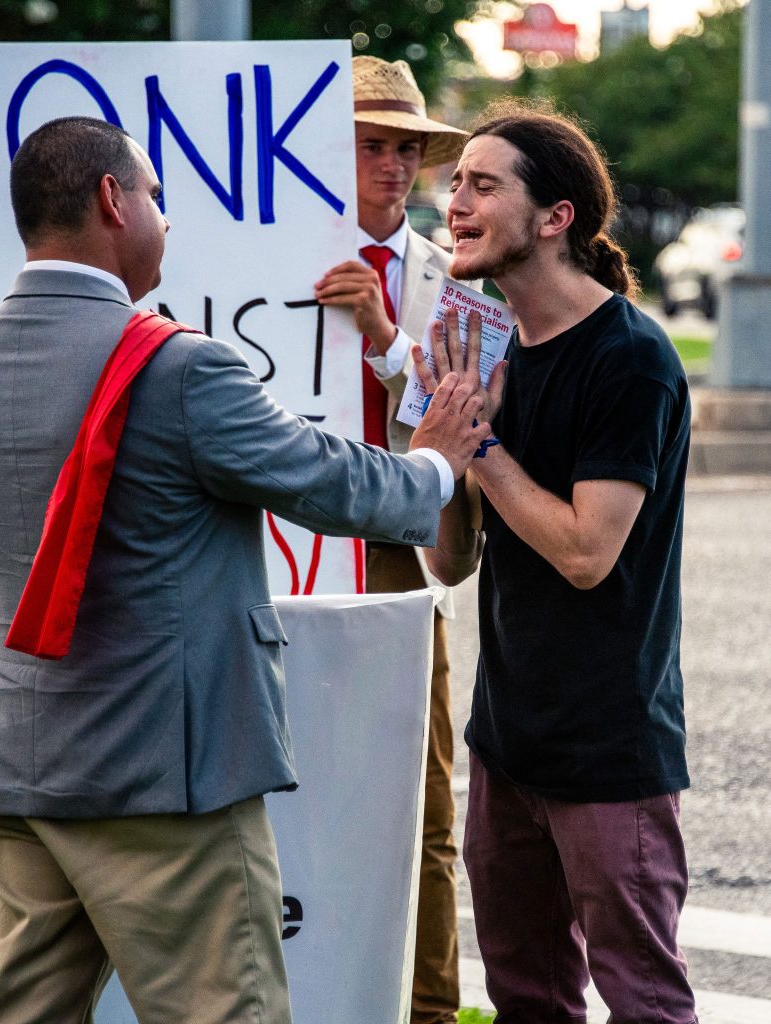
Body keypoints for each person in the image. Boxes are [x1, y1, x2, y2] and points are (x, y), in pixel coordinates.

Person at [0, 116, 493, 1024]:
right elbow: (331, 485)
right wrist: (432, 462)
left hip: (10, 764)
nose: (167, 219)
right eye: (154, 196)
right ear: (112, 201)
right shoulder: (177, 366)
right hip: (155, 775)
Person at [420, 99, 697, 1023]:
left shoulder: (631, 359)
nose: (453, 201)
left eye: (481, 184)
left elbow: (586, 553)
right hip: (507, 744)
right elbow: (451, 563)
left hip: (608, 751)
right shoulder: (488, 350)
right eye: (454, 183)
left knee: (643, 1001)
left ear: (555, 218)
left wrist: (484, 450)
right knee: (525, 998)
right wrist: (437, 459)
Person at [313, 55, 469, 1024]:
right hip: (286, 543)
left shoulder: (451, 276)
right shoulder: (265, 258)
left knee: (426, 795)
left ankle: (430, 1006)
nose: (395, 163)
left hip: (401, 549)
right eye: (375, 142)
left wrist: (381, 338)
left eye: (408, 145)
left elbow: (463, 406)